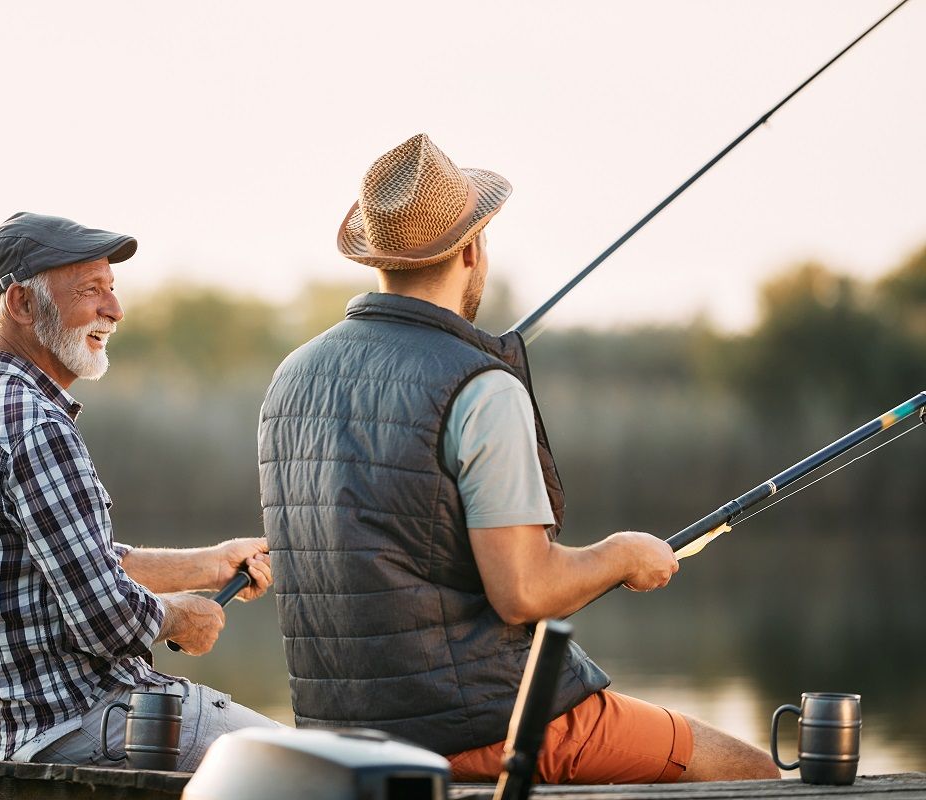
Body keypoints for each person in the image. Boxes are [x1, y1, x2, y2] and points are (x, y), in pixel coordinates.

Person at [258, 135, 777, 784]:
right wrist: (623, 553)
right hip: (486, 725)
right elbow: (523, 591)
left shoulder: (291, 377)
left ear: (377, 255)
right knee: (752, 773)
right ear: (473, 249)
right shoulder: (480, 387)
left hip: (341, 736)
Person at [0, 211, 279, 767]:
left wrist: (213, 564)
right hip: (85, 723)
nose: (115, 309)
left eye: (112, 288)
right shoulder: (35, 424)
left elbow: (75, 566)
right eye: (90, 290)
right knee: (328, 773)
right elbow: (106, 617)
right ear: (22, 305)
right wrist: (181, 619)